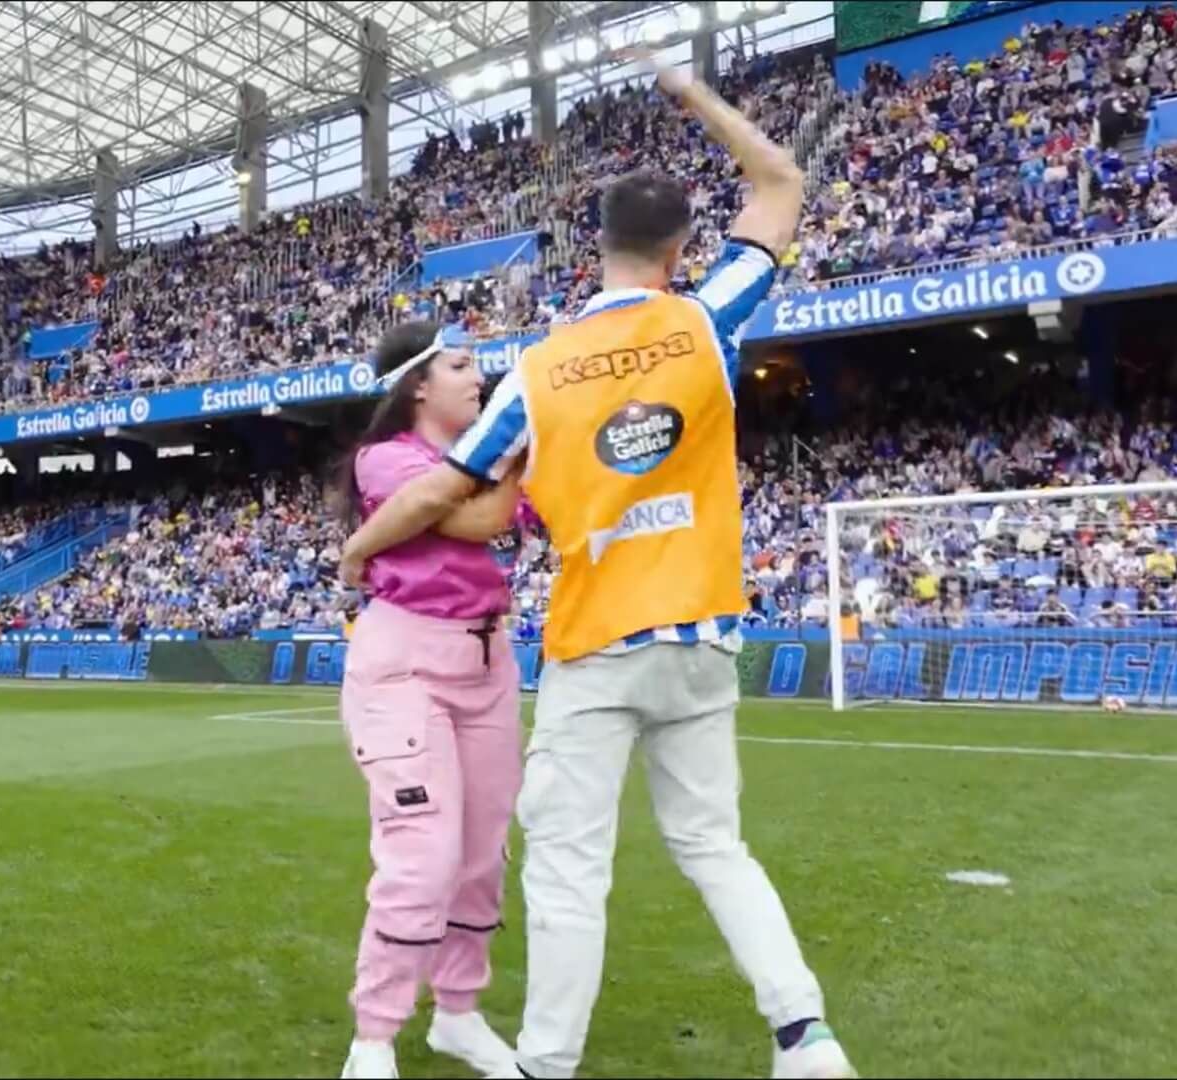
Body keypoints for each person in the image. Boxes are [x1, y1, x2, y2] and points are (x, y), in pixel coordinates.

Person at [339, 49, 855, 1080]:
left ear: (601, 245)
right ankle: (805, 1035)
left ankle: (548, 1059)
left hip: (593, 642)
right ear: (676, 250)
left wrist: (357, 549)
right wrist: (686, 89)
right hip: (703, 632)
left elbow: (448, 490)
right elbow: (783, 183)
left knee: (570, 867)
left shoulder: (538, 366)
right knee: (716, 845)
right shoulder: (705, 322)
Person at [334, 321, 529, 1080]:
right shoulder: (385, 458)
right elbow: (481, 518)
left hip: (488, 660)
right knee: (423, 855)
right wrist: (518, 448)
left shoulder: (478, 459)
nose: (477, 376)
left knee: (481, 856)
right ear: (418, 383)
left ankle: (457, 1015)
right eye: (461, 364)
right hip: (406, 662)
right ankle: (373, 1037)